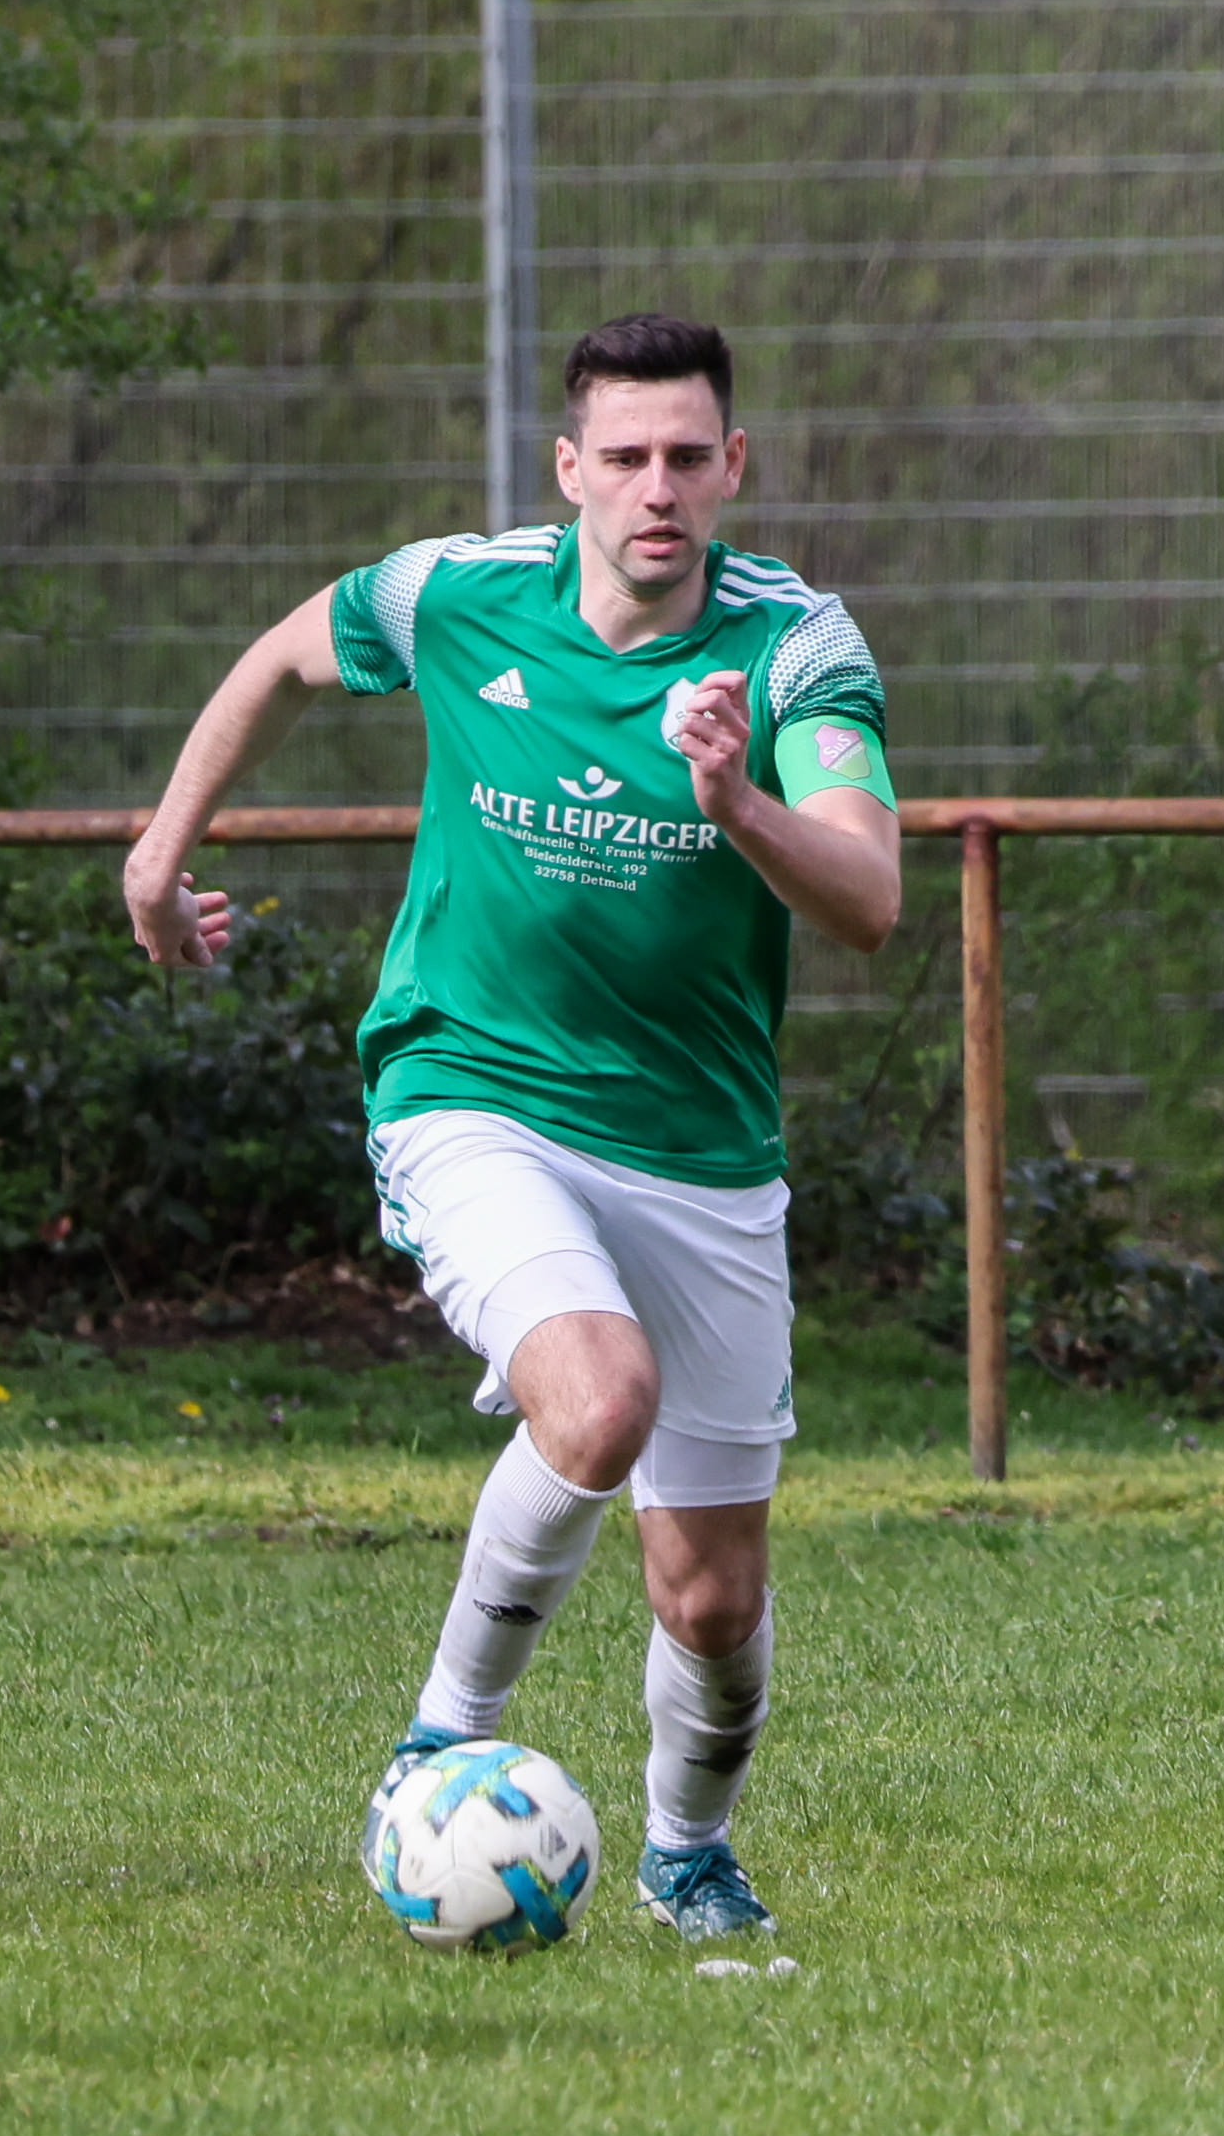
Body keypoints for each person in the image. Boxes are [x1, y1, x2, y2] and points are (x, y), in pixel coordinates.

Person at [117, 315, 899, 1941]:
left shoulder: (794, 651)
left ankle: (688, 1854)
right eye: (624, 457)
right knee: (598, 1400)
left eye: (686, 457)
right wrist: (157, 860)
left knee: (713, 1598)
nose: (656, 488)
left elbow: (871, 898)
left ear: (733, 468)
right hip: (472, 1093)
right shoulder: (458, 595)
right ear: (569, 472)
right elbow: (278, 660)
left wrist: (738, 804)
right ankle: (442, 1736)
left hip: (699, 1147)